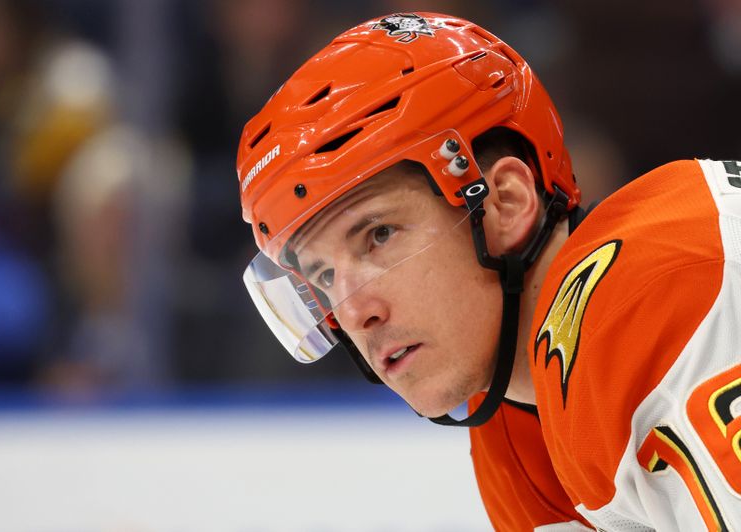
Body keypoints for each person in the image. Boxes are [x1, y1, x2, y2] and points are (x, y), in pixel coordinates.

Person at [236, 12, 741, 531]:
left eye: (378, 235)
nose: (355, 310)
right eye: (323, 277)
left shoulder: (659, 285)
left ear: (505, 201)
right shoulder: (511, 425)